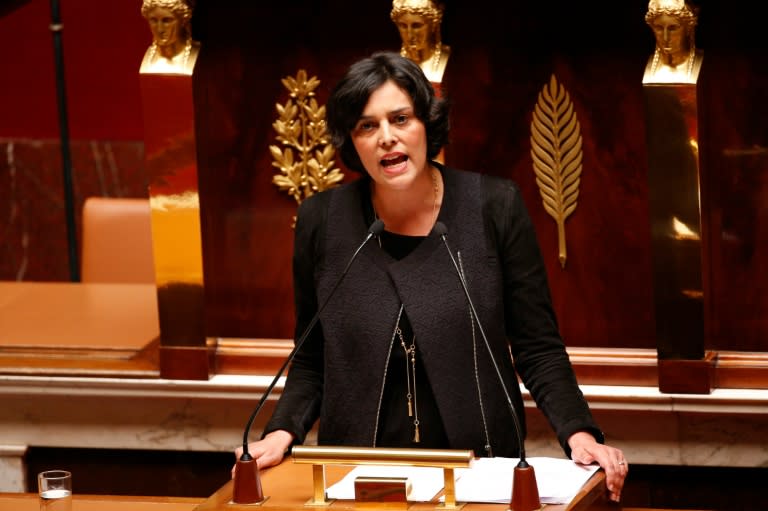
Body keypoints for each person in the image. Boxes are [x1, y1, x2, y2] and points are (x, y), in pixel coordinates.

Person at [235, 51, 628, 503]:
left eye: (400, 118)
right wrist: (282, 430)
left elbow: (537, 345)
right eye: (367, 126)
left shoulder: (493, 207)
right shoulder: (323, 221)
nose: (386, 137)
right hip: (357, 474)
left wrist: (579, 432)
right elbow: (310, 357)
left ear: (426, 125)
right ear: (352, 141)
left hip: (478, 469)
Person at [390, 0, 451, 85]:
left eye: (417, 26)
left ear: (433, 24)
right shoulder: (393, 62)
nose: (410, 34)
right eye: (403, 26)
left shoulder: (446, 57)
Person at [643, 0, 702, 84]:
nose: (665, 38)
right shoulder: (649, 67)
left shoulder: (701, 62)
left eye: (673, 28)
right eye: (659, 28)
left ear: (688, 28)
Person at [140, 0, 200, 75]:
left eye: (167, 21)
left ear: (183, 20)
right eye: (154, 20)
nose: (160, 29)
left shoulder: (195, 55)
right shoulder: (149, 60)